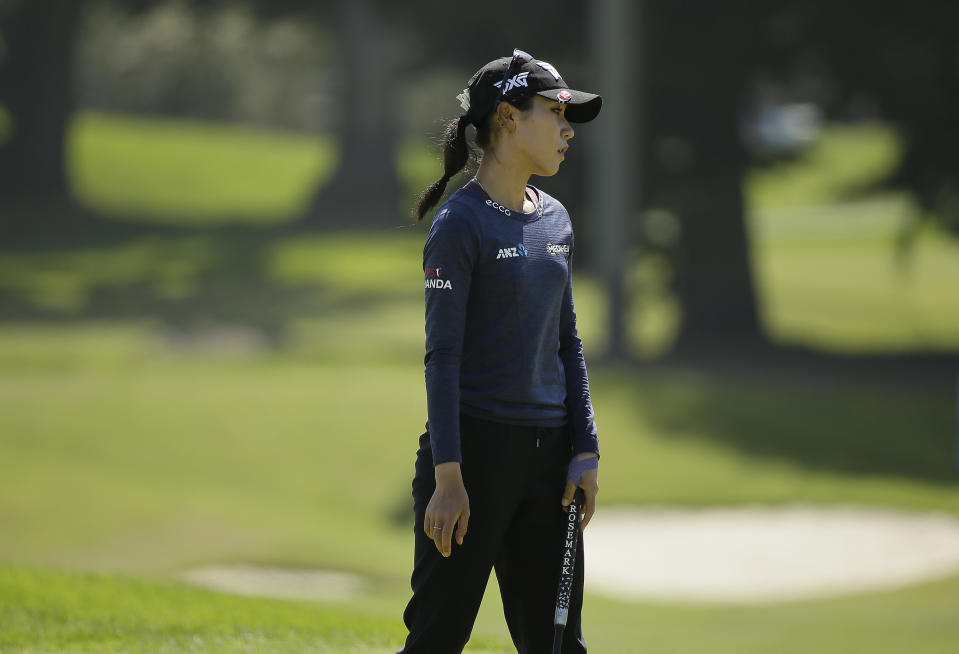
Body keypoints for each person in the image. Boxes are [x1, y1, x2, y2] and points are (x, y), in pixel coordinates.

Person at [399, 49, 602, 654]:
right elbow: (443, 357)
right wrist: (449, 477)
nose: (567, 129)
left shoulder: (557, 220)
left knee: (559, 644)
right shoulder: (460, 224)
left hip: (550, 463)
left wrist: (584, 447)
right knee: (437, 640)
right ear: (508, 117)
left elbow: (566, 339)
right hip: (474, 459)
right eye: (555, 112)